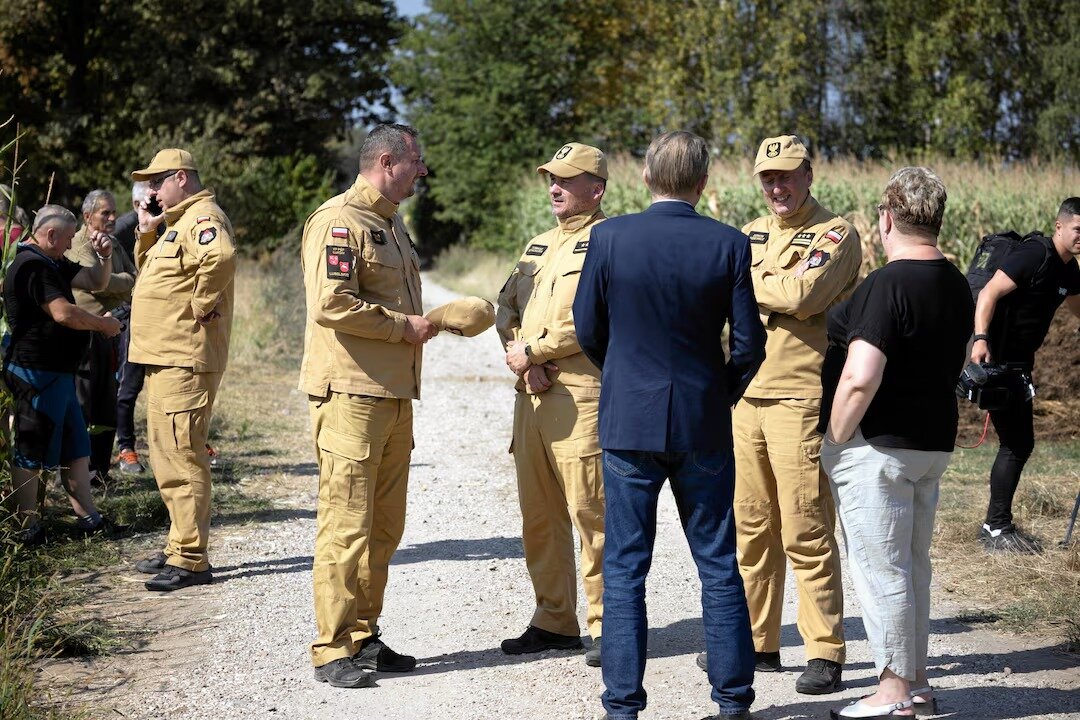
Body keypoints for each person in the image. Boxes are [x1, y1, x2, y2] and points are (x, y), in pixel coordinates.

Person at [574, 130, 766, 720]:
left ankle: (623, 706)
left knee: (626, 566)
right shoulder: (729, 243)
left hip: (630, 421)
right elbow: (750, 344)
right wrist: (718, 393)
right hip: (702, 420)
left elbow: (587, 327)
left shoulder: (607, 237)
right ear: (703, 184)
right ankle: (733, 702)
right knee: (717, 560)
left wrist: (624, 376)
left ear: (645, 177)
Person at [819, 167, 973, 718]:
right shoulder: (956, 283)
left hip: (878, 447)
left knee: (881, 569)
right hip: (932, 443)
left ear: (887, 218)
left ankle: (891, 692)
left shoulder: (889, 283)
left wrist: (834, 438)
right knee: (912, 566)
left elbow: (862, 375)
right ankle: (918, 682)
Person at [711, 134, 860, 695]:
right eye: (768, 177)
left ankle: (824, 649)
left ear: (808, 175)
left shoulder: (834, 232)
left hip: (800, 397)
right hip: (745, 395)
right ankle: (758, 642)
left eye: (787, 175)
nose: (777, 186)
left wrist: (742, 284)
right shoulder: (749, 231)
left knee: (805, 525)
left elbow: (803, 295)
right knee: (751, 525)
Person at [298, 123, 436, 689]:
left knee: (384, 528)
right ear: (386, 161)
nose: (421, 172)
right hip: (351, 396)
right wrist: (404, 327)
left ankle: (362, 633)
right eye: (415, 163)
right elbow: (332, 303)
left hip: (393, 396)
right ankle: (331, 648)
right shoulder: (339, 221)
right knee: (346, 526)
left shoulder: (389, 222)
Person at [495, 142, 608, 666]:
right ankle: (555, 620)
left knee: (593, 514)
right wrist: (522, 357)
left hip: (580, 397)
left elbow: (595, 319)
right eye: (551, 179)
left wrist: (536, 353)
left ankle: (612, 626)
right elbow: (507, 307)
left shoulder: (611, 242)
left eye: (566, 179)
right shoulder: (537, 245)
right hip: (531, 395)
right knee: (539, 516)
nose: (554, 187)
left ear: (597, 188)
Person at [128, 149, 236, 591]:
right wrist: (146, 229)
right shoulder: (175, 225)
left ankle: (191, 558)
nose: (151, 191)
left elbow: (222, 256)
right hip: (164, 357)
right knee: (166, 455)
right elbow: (151, 274)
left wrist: (203, 302)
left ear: (180, 177)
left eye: (157, 182)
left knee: (182, 456)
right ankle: (179, 545)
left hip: (184, 358)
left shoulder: (201, 217)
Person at [2, 205, 122, 543]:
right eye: (69, 238)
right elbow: (62, 313)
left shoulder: (52, 262)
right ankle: (26, 529)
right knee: (31, 448)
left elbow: (96, 282)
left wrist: (105, 255)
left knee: (75, 447)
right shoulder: (32, 266)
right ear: (51, 235)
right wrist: (104, 325)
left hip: (61, 373)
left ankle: (89, 520)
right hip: (36, 373)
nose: (71, 245)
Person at [971, 197, 1080, 553]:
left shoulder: (1069, 270)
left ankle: (996, 524)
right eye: (1078, 230)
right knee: (1017, 443)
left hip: (1020, 362)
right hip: (997, 356)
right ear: (1059, 226)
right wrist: (981, 340)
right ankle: (996, 527)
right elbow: (988, 294)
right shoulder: (1035, 254)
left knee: (1018, 442)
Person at [65, 189, 138, 482]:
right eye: (104, 213)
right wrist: (112, 282)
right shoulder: (77, 244)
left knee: (106, 402)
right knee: (84, 404)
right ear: (87, 216)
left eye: (113, 212)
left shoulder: (115, 243)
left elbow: (133, 277)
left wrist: (110, 281)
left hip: (111, 331)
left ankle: (101, 471)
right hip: (86, 333)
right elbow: (94, 283)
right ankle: (81, 473)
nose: (111, 218)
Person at [114, 181, 153, 475]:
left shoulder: (164, 224)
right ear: (138, 203)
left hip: (161, 316)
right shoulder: (124, 227)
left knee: (171, 383)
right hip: (132, 314)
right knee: (129, 384)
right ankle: (125, 447)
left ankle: (188, 441)